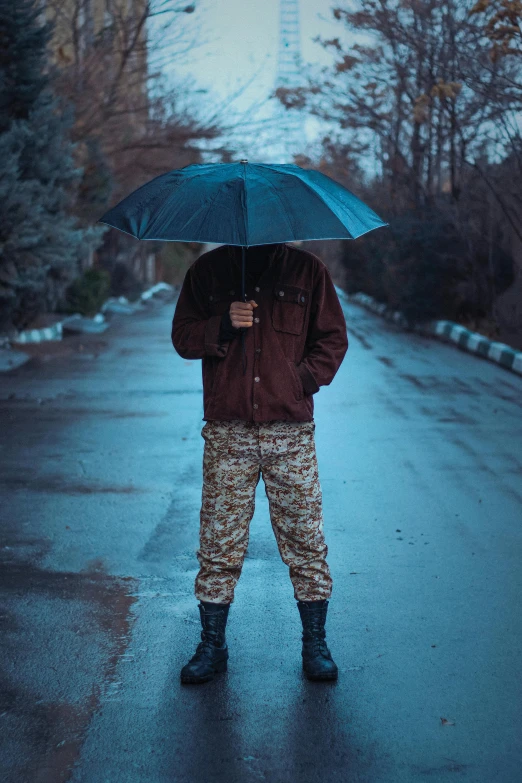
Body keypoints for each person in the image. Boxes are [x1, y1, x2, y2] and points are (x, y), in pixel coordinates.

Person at [171, 242, 348, 683]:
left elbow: (332, 338)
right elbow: (182, 336)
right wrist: (223, 325)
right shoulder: (207, 272)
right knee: (218, 541)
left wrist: (300, 381)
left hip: (290, 432)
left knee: (305, 539)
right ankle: (212, 646)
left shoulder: (308, 272)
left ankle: (315, 644)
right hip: (228, 431)